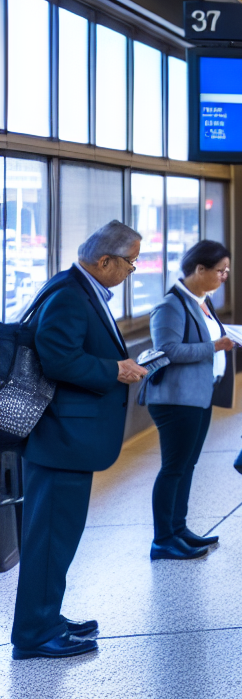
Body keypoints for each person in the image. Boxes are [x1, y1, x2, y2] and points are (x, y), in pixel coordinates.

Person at [11, 221, 148, 660]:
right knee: (49, 539)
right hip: (59, 437)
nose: (133, 269)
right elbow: (58, 358)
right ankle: (34, 634)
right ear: (104, 260)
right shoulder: (70, 294)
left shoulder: (78, 287)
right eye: (130, 261)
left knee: (58, 537)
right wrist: (115, 371)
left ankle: (47, 617)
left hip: (66, 438)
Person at [144, 239, 234, 560]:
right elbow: (168, 350)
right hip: (176, 399)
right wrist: (217, 347)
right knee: (173, 467)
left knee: (187, 464)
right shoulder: (171, 305)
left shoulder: (201, 301)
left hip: (199, 394)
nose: (225, 276)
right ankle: (163, 539)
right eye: (220, 271)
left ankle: (178, 529)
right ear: (200, 269)